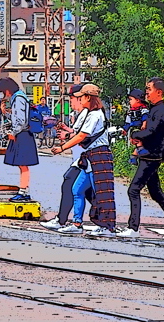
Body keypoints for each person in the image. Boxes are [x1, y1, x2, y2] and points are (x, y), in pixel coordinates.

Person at [116, 78, 164, 240]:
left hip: (152, 156)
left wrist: (134, 134)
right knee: (156, 193)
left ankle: (133, 228)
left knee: (133, 190)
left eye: (149, 89)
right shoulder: (154, 109)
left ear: (159, 92)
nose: (146, 92)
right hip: (150, 155)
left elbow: (152, 131)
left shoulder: (160, 111)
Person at [51, 83, 117, 237]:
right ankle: (76, 223)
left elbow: (82, 135)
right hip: (89, 158)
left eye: (81, 97)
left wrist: (62, 148)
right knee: (77, 189)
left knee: (103, 193)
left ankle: (108, 226)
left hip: (99, 156)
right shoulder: (88, 113)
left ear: (88, 97)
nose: (79, 100)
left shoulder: (95, 114)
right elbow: (78, 133)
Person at [40, 84, 95, 231]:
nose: (71, 101)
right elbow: (77, 133)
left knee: (70, 184)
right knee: (86, 192)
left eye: (74, 98)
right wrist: (67, 130)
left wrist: (64, 142)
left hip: (86, 160)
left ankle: (64, 220)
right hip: (81, 159)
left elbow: (82, 135)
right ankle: (103, 220)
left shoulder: (90, 113)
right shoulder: (83, 114)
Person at [1, 78, 39, 202]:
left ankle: (23, 192)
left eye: (4, 92)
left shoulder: (18, 99)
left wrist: (13, 132)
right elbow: (17, 117)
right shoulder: (19, 97)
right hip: (23, 134)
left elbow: (21, 121)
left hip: (22, 134)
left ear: (8, 90)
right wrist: (5, 113)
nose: (4, 95)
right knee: (22, 165)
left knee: (23, 165)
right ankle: (23, 191)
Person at [122, 88, 151, 164]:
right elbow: (127, 122)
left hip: (141, 128)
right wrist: (125, 130)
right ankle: (134, 156)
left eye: (131, 100)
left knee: (139, 141)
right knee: (136, 142)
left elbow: (145, 117)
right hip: (133, 129)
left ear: (137, 100)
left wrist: (144, 124)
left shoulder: (143, 109)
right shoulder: (130, 112)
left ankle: (138, 154)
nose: (129, 102)